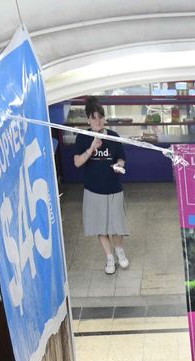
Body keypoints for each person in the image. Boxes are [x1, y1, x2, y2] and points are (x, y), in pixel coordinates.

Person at [72, 97, 129, 274]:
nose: (98, 121)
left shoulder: (113, 137)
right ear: (88, 120)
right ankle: (109, 258)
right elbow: (77, 162)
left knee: (117, 225)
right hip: (93, 190)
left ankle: (120, 251)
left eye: (100, 117)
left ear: (104, 118)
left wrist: (120, 165)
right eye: (93, 117)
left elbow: (121, 157)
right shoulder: (82, 138)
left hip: (114, 188)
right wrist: (91, 149)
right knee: (100, 227)